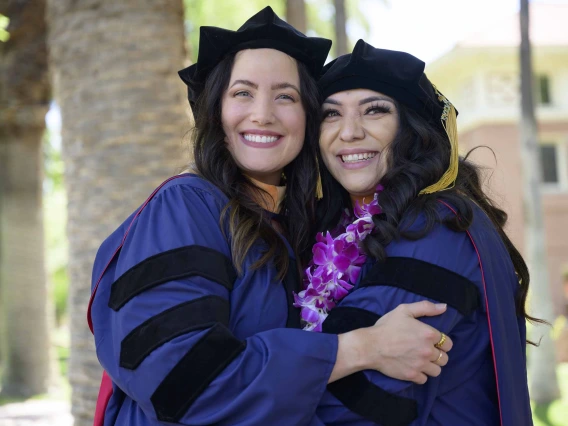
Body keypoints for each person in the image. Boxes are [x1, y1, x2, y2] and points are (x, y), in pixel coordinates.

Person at [88, 10, 453, 426]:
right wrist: (361, 349)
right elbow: (179, 381)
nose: (263, 114)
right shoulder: (185, 206)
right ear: (215, 112)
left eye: (285, 96)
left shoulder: (300, 226)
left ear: (308, 118)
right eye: (242, 93)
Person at [298, 40, 534, 425]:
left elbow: (353, 407)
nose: (349, 132)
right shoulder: (358, 230)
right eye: (330, 115)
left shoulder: (437, 229)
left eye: (374, 111)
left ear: (412, 129)